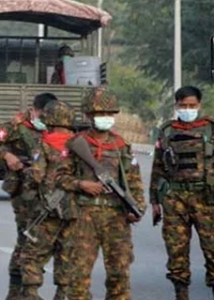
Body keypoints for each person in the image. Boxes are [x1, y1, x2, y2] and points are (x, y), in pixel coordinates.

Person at [0, 92, 64, 300]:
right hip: (25, 191)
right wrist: (7, 155)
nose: (46, 120)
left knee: (56, 241)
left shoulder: (56, 127)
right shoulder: (17, 126)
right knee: (27, 238)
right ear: (34, 110)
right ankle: (18, 292)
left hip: (53, 191)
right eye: (42, 115)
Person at [63, 86, 146, 300]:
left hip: (117, 218)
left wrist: (136, 209)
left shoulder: (122, 147)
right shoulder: (76, 145)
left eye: (109, 113)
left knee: (119, 275)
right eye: (100, 113)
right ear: (89, 115)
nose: (105, 118)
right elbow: (56, 178)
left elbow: (134, 183)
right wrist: (81, 184)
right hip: (83, 217)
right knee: (78, 278)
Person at [150, 85, 214, 300]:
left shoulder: (212, 129)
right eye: (183, 105)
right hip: (175, 200)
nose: (188, 109)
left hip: (207, 200)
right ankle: (181, 294)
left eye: (192, 105)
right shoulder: (168, 131)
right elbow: (158, 166)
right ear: (176, 105)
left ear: (199, 105)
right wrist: (155, 201)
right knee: (176, 251)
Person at [18, 100, 79, 299]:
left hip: (47, 209)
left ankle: (31, 293)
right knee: (67, 254)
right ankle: (62, 294)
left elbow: (36, 175)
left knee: (33, 254)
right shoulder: (81, 143)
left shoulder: (44, 143)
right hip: (75, 209)